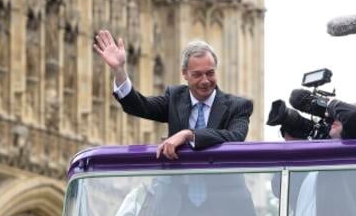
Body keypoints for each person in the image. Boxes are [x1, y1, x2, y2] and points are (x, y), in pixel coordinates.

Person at [93, 31, 253, 159]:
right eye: (197, 75)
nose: (205, 81)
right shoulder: (175, 98)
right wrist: (119, 70)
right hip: (178, 193)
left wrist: (189, 135)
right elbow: (138, 106)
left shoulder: (238, 106)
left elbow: (235, 137)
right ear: (185, 74)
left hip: (222, 194)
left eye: (210, 73)